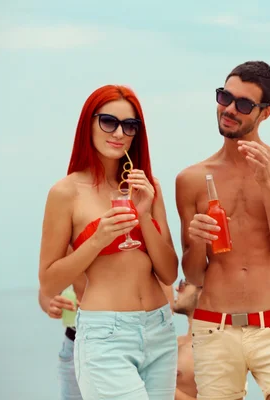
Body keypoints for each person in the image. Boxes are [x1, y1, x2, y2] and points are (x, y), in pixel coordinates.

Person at [176, 60, 270, 400]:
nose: (229, 109)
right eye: (225, 97)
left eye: (243, 104)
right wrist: (195, 241)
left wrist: (266, 184)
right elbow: (193, 274)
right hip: (213, 324)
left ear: (265, 113)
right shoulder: (191, 179)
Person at [38, 84, 179, 400]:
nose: (119, 133)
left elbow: (169, 273)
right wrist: (97, 240)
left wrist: (143, 214)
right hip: (105, 334)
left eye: (129, 125)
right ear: (88, 123)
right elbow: (48, 281)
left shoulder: (148, 185)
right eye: (108, 122)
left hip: (159, 329)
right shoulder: (66, 193)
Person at [38, 247, 86, 400]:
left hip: (124, 338)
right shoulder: (66, 243)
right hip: (75, 342)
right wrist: (51, 305)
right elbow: (45, 292)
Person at [172, 279, 202, 400]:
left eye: (183, 284)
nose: (177, 288)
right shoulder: (173, 342)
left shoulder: (218, 350)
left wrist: (160, 386)